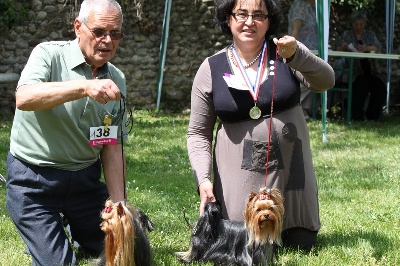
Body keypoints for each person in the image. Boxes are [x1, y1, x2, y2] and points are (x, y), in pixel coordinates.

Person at [187, 0, 335, 251]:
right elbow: (198, 132)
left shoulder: (286, 54)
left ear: (269, 21)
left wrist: (298, 54)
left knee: (301, 242)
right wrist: (203, 180)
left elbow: (326, 80)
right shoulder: (210, 68)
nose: (249, 21)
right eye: (241, 14)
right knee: (242, 241)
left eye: (258, 15)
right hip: (239, 175)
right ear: (228, 19)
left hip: (291, 173)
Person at [5, 0, 127, 265]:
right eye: (99, 32)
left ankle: (70, 226)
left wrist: (119, 205)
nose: (108, 40)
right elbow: (24, 97)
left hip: (85, 185)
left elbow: (112, 144)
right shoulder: (47, 54)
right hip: (35, 183)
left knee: (123, 249)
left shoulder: (117, 79)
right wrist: (83, 88)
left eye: (115, 33)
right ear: (78, 28)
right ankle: (48, 230)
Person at [334, 10, 384, 120]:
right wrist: (343, 48)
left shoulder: (369, 34)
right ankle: (357, 116)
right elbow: (336, 51)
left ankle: (373, 116)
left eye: (361, 24)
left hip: (370, 71)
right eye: (356, 24)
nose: (358, 27)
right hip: (353, 71)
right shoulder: (347, 35)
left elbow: (378, 47)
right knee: (361, 85)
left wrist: (367, 48)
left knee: (380, 87)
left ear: (364, 24)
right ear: (352, 24)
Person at [288, 0, 318, 120]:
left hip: (313, 52)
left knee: (311, 79)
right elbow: (295, 29)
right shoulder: (300, 5)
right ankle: (291, 108)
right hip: (300, 51)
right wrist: (290, 50)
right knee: (306, 79)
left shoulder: (316, 8)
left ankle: (303, 112)